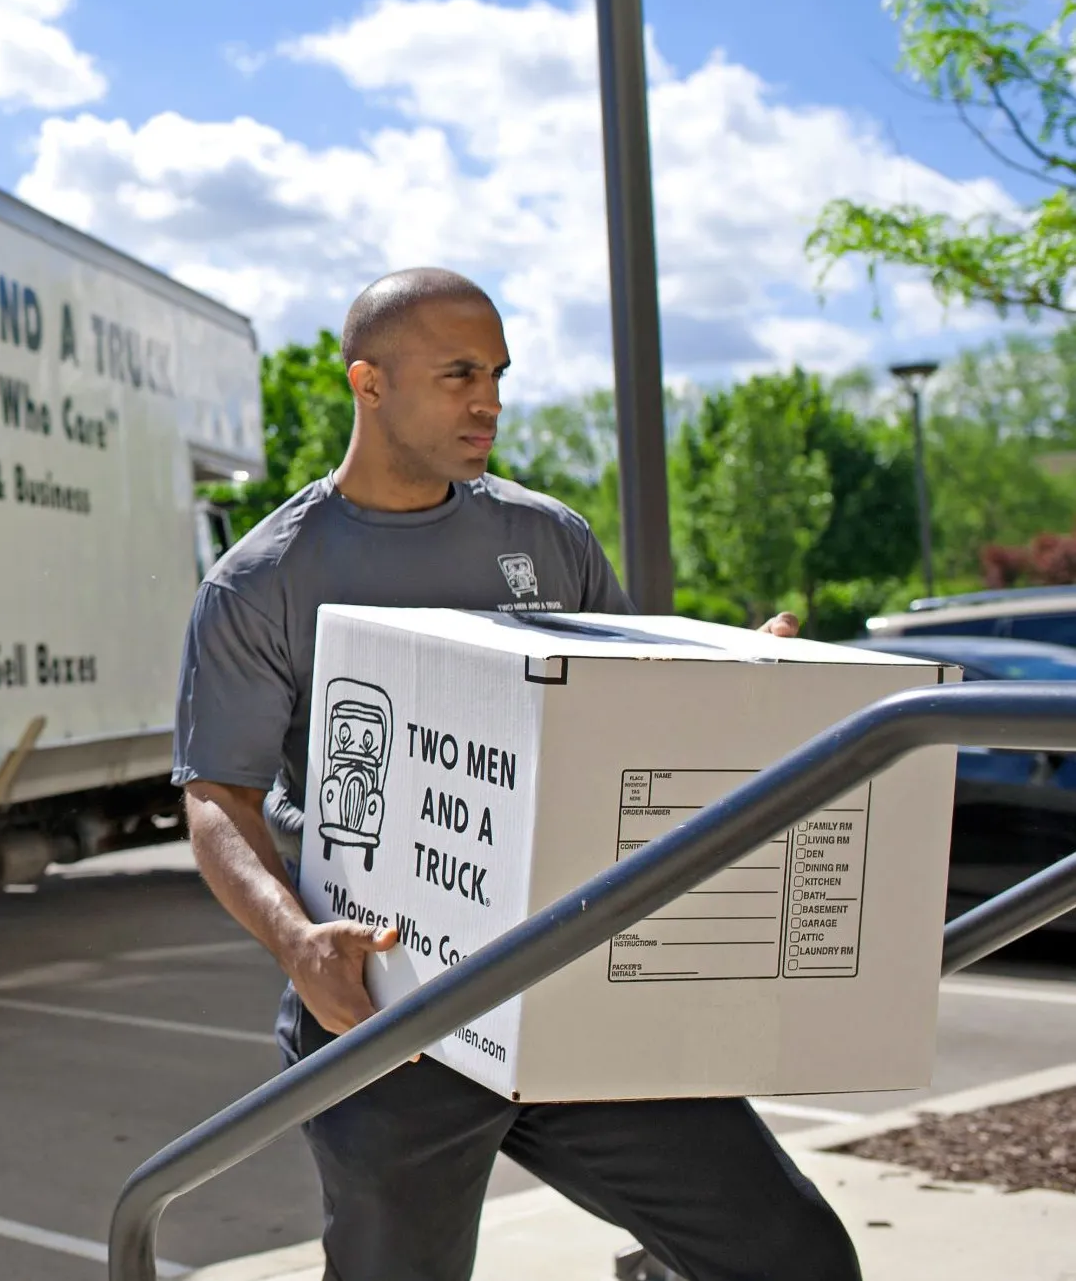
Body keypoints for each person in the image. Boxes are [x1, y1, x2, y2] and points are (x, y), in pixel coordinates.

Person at [172, 268, 849, 1281]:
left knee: (790, 1257)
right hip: (389, 1022)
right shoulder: (263, 581)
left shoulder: (545, 538)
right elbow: (214, 798)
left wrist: (744, 678)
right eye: (455, 374)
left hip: (569, 988)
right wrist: (296, 942)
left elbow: (633, 709)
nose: (486, 399)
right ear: (367, 382)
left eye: (494, 373)